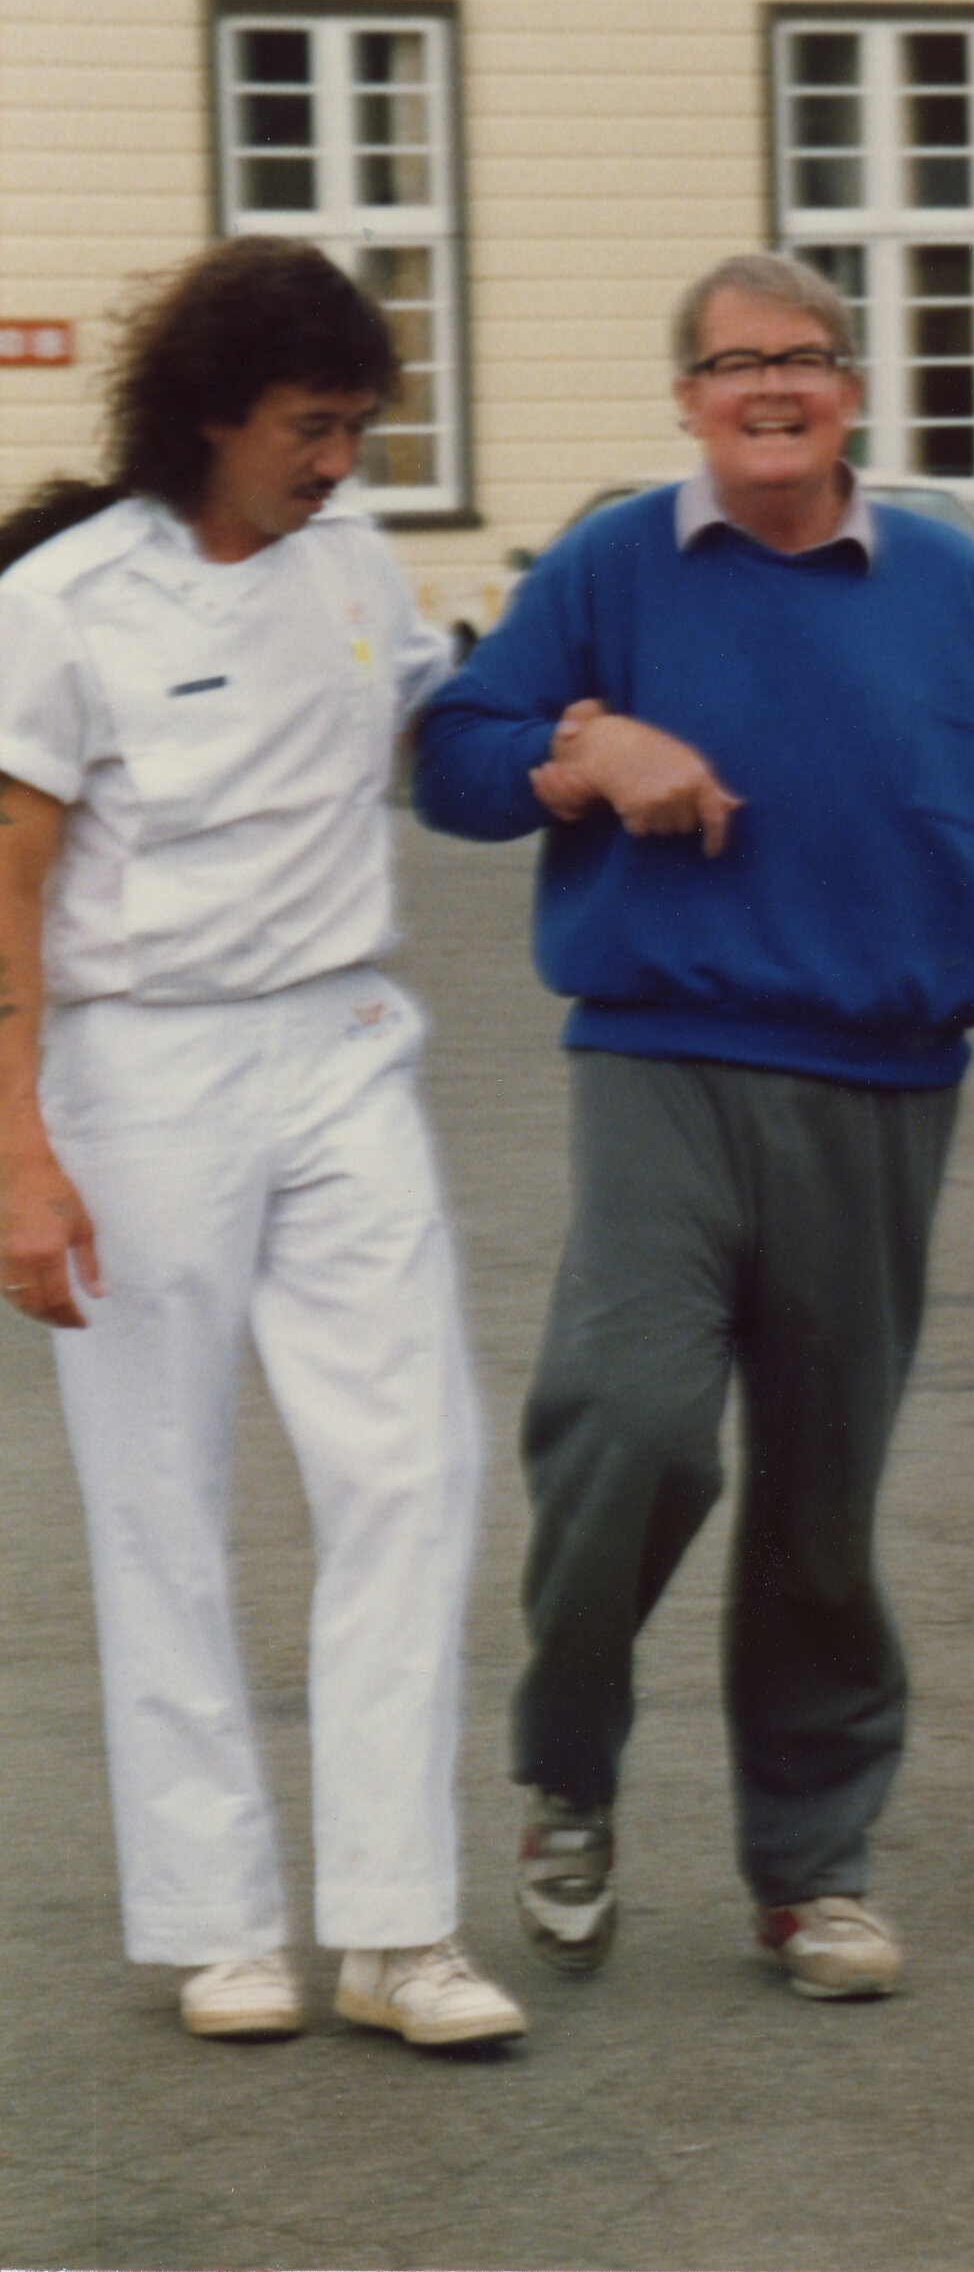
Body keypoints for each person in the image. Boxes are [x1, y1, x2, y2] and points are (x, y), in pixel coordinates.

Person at [414, 251, 974, 2001]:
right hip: (662, 1061)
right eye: (734, 363)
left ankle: (810, 1873)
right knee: (634, 1424)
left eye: (804, 360)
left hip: (885, 1087)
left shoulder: (949, 584)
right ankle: (569, 1778)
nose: (771, 388)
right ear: (684, 397)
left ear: (853, 391)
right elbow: (451, 756)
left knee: (825, 1498)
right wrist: (586, 753)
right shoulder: (608, 566)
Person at [0, 237, 525, 2049]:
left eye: (359, 428)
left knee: (414, 1468)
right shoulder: (66, 601)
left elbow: (451, 725)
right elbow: (10, 879)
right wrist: (14, 1150)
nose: (336, 465)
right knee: (159, 1498)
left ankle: (397, 1926)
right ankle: (220, 1924)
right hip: (136, 1071)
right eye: (311, 427)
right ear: (211, 414)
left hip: (337, 1045)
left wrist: (584, 734)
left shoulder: (359, 563)